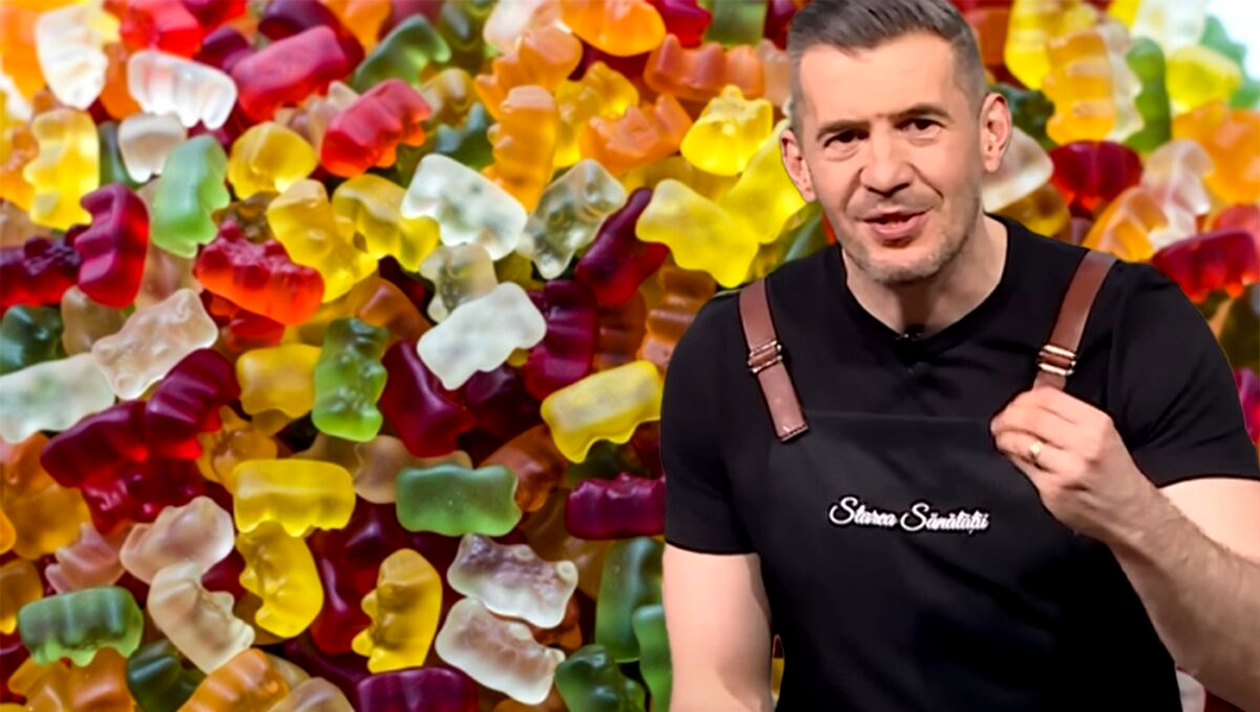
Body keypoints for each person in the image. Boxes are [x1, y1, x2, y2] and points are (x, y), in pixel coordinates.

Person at [658, 1, 1260, 710]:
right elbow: (717, 689)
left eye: (920, 125)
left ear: (991, 132)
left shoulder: (1136, 326)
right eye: (845, 137)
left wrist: (1132, 514)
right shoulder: (731, 350)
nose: (885, 172)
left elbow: (1252, 668)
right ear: (799, 163)